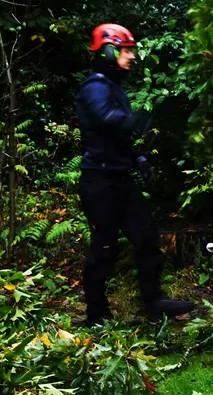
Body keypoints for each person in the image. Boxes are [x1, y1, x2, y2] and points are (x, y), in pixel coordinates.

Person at [74, 22, 194, 327]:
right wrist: (135, 120)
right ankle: (96, 315)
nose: (132, 57)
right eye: (126, 51)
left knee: (146, 238)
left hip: (121, 178)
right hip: (99, 182)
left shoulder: (114, 88)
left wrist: (139, 158)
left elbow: (118, 135)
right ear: (109, 51)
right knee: (104, 246)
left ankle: (154, 303)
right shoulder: (95, 87)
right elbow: (107, 118)